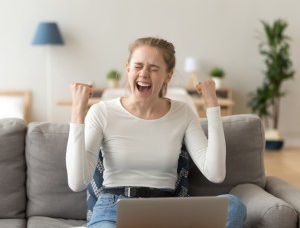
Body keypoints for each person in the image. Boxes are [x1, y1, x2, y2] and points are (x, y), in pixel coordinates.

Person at [66, 37, 246, 228]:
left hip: (166, 212)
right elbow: (77, 182)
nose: (144, 74)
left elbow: (216, 173)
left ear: (168, 75)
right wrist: (78, 112)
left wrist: (212, 106)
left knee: (233, 206)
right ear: (128, 69)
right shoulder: (102, 112)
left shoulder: (183, 113)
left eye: (153, 68)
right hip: (114, 210)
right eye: (138, 66)